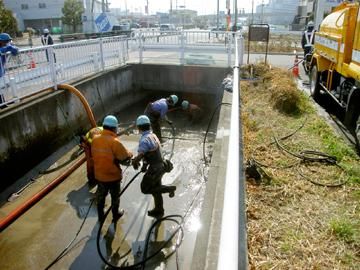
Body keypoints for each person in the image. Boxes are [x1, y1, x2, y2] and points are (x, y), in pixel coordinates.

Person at [132, 115, 176, 218]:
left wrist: (135, 162)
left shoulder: (144, 140)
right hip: (162, 165)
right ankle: (159, 210)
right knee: (156, 189)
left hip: (155, 168)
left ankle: (170, 189)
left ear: (138, 127)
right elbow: (149, 153)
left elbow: (141, 154)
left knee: (145, 189)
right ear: (149, 125)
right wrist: (144, 166)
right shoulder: (153, 135)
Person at [91, 115, 133, 222]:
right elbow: (124, 156)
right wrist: (130, 153)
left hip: (100, 175)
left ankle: (101, 216)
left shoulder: (95, 139)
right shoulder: (115, 142)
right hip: (113, 177)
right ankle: (115, 214)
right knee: (115, 196)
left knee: (101, 196)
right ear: (114, 128)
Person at [0, 33, 18, 106]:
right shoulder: (4, 48)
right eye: (5, 41)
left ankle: (2, 103)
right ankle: (2, 104)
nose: (7, 43)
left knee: (1, 88)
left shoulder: (6, 47)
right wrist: (8, 48)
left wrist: (11, 48)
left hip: (1, 70)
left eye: (8, 41)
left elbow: (15, 50)